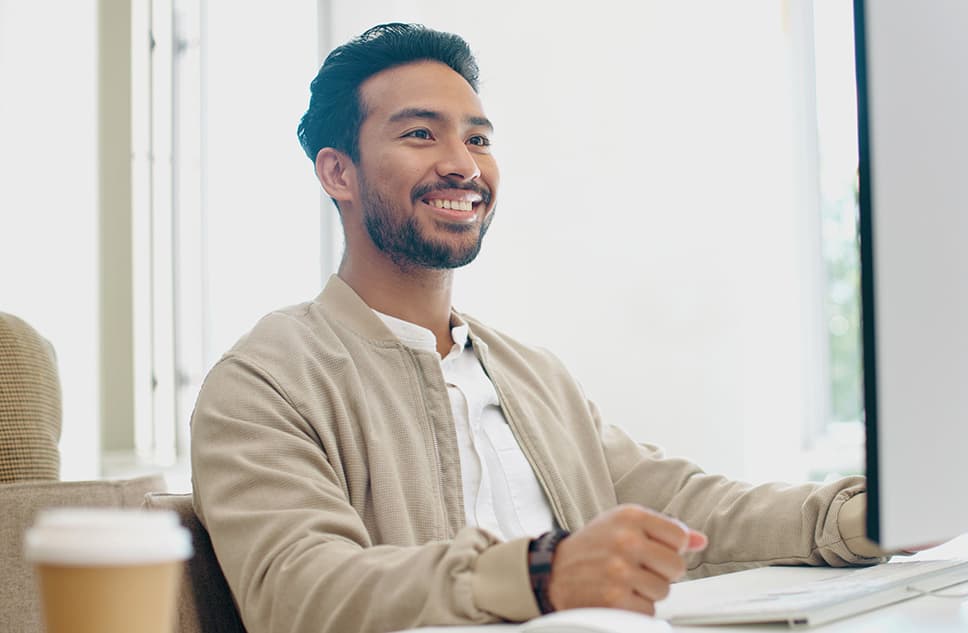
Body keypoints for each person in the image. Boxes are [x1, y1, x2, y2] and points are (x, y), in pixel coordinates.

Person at [190, 23, 887, 633]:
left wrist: (862, 517)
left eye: (478, 137)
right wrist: (538, 572)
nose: (463, 163)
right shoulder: (264, 380)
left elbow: (680, 503)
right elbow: (301, 593)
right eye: (420, 133)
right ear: (337, 172)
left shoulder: (532, 373)